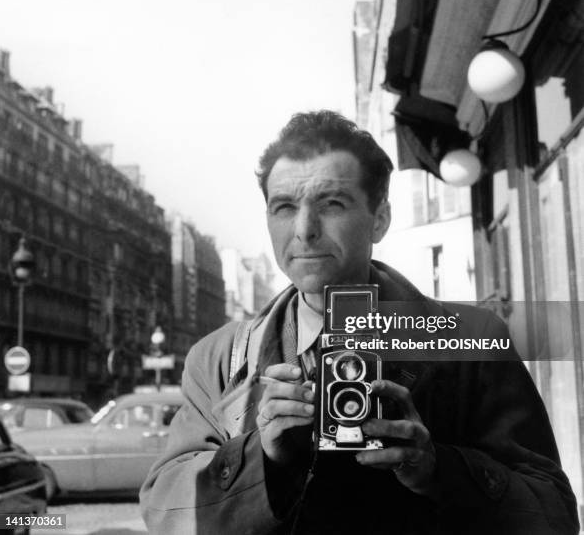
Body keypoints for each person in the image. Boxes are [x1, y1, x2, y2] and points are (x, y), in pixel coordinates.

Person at [140, 111, 578, 534]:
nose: (305, 230)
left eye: (332, 203)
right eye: (285, 207)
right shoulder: (220, 358)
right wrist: (262, 457)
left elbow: (554, 513)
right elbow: (165, 510)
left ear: (380, 220)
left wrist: (437, 468)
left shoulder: (470, 340)